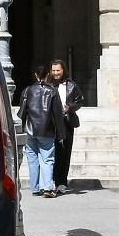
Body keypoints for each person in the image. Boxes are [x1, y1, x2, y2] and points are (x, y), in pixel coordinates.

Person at [19, 64, 64, 198]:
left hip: (30, 129)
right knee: (47, 159)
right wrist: (61, 133)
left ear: (35, 75)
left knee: (32, 159)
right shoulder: (52, 91)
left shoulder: (27, 90)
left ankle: (35, 188)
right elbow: (57, 114)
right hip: (47, 130)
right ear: (48, 75)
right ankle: (47, 188)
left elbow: (22, 112)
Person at [48, 60, 83, 192]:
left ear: (63, 70)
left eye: (58, 70)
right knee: (52, 152)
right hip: (51, 122)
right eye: (53, 70)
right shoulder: (48, 85)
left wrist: (70, 107)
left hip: (66, 121)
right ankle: (50, 181)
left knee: (65, 152)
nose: (55, 73)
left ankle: (62, 182)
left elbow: (80, 100)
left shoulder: (71, 85)